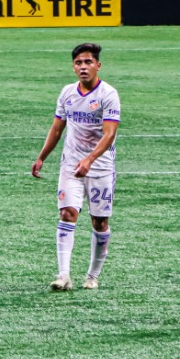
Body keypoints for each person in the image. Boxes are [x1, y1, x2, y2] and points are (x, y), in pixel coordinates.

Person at [31, 43, 121, 291]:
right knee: (67, 213)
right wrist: (41, 157)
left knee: (99, 222)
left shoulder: (108, 94)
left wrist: (89, 160)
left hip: (100, 168)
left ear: (98, 65)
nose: (83, 67)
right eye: (78, 63)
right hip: (71, 165)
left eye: (88, 62)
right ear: (73, 67)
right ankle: (63, 275)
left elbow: (109, 134)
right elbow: (57, 129)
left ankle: (93, 275)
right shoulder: (67, 93)